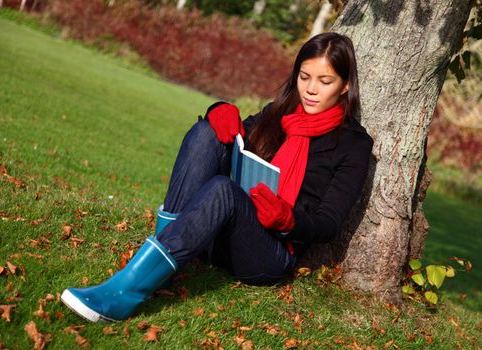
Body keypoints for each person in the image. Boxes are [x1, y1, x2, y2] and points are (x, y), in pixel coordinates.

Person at [61, 32, 374, 323]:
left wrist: (288, 219)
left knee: (223, 190)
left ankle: (125, 292)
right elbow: (234, 135)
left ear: (345, 86)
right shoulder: (279, 112)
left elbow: (330, 223)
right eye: (304, 77)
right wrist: (220, 110)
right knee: (207, 131)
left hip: (269, 254)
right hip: (217, 231)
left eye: (325, 81)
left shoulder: (354, 145)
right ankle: (161, 267)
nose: (310, 89)